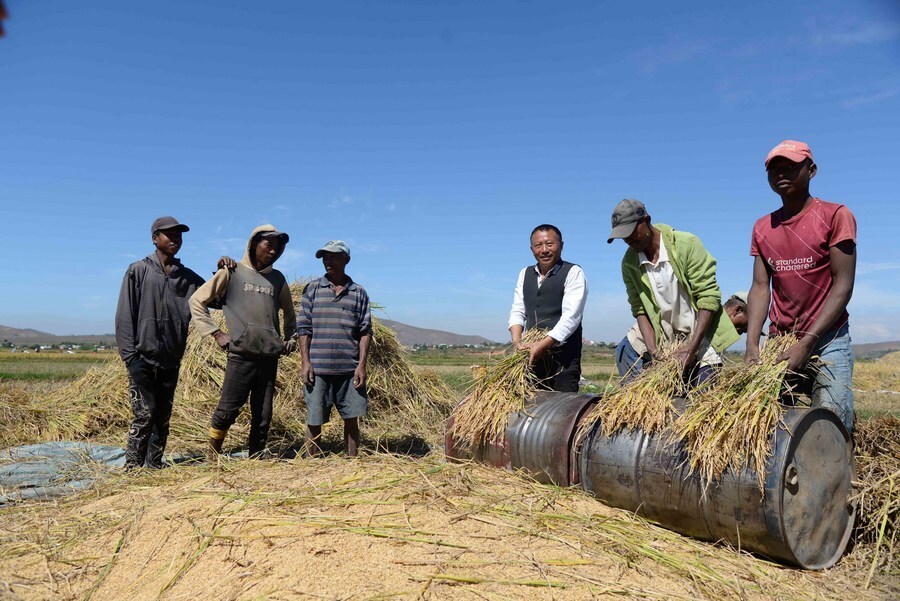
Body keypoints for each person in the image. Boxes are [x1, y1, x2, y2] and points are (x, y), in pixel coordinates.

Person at [745, 140, 857, 432]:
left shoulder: (835, 215)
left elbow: (843, 286)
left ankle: (842, 475)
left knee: (832, 424)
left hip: (827, 339)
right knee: (773, 425)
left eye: (791, 167)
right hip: (781, 340)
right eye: (774, 169)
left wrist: (806, 343)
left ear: (812, 170)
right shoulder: (762, 227)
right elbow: (760, 288)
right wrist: (752, 344)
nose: (782, 173)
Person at [190, 225, 297, 460]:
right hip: (241, 355)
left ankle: (256, 458)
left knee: (263, 414)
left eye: (277, 247)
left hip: (269, 357)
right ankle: (212, 456)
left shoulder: (278, 279)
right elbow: (197, 300)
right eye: (268, 245)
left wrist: (291, 338)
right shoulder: (232, 272)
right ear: (253, 244)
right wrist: (216, 333)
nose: (273, 250)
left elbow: (289, 312)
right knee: (228, 410)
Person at [608, 199, 739, 385]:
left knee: (701, 400)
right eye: (623, 236)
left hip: (698, 336)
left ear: (646, 220)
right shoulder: (630, 262)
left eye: (630, 232)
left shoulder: (686, 245)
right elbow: (640, 309)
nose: (628, 240)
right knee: (629, 358)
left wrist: (691, 349)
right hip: (662, 337)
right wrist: (653, 351)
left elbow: (708, 298)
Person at [115, 216, 205, 470]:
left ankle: (154, 464)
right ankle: (132, 466)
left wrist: (225, 271)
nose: (175, 239)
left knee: (163, 414)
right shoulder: (139, 271)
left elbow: (215, 297)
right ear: (155, 238)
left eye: (179, 235)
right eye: (169, 234)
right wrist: (130, 358)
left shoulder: (187, 277)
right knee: (144, 413)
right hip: (141, 357)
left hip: (170, 358)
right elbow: (124, 316)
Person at [298, 240, 372, 457]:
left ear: (346, 259)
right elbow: (303, 327)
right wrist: (305, 362)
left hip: (349, 370)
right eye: (325, 257)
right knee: (314, 419)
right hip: (318, 369)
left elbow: (365, 331)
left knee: (351, 419)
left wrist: (361, 365)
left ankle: (352, 462)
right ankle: (312, 464)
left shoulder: (358, 293)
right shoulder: (312, 289)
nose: (328, 261)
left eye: (334, 256)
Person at [508, 224, 588, 392]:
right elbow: (518, 311)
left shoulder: (573, 272)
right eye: (538, 245)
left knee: (562, 411)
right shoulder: (525, 273)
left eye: (550, 244)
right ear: (532, 249)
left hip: (563, 361)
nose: (544, 250)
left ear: (561, 245)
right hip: (531, 358)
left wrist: (544, 344)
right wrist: (517, 343)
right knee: (530, 409)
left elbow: (571, 318)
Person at [616, 291, 750, 379]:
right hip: (638, 351)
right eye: (746, 326)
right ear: (737, 311)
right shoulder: (707, 316)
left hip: (659, 360)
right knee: (638, 407)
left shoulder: (723, 335)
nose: (744, 332)